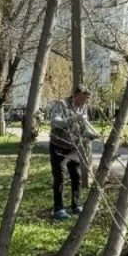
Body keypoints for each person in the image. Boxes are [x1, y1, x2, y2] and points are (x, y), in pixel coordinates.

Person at [48, 84, 98, 220]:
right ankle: (59, 209)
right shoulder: (62, 105)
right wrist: (73, 119)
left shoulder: (83, 108)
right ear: (76, 95)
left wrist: (91, 135)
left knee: (76, 176)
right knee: (59, 177)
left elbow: (83, 128)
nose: (85, 102)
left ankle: (76, 205)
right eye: (83, 98)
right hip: (58, 146)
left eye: (87, 99)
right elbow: (55, 122)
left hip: (73, 147)